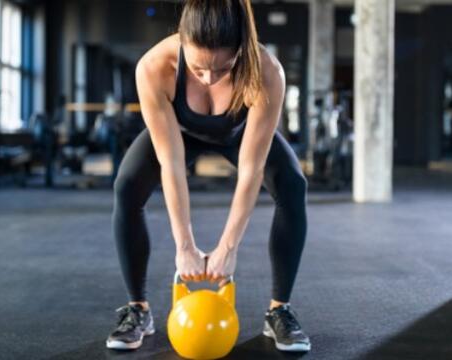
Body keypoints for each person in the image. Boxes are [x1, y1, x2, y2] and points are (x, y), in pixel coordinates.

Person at [107, 0, 310, 353]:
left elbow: (251, 169)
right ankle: (137, 309)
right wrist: (184, 246)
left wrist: (228, 248)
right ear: (182, 41)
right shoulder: (154, 67)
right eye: (199, 68)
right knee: (126, 186)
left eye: (223, 68)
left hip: (238, 132)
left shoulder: (266, 72)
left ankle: (280, 310)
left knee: (293, 185)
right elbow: (171, 163)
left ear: (241, 52)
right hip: (180, 131)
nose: (209, 78)